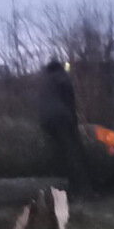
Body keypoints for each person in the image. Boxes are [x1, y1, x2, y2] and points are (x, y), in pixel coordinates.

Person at [38, 60, 91, 197]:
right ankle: (81, 189)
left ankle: (61, 182)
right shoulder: (63, 78)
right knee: (73, 151)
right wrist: (74, 124)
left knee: (58, 149)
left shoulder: (44, 80)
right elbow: (70, 103)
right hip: (61, 118)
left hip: (45, 120)